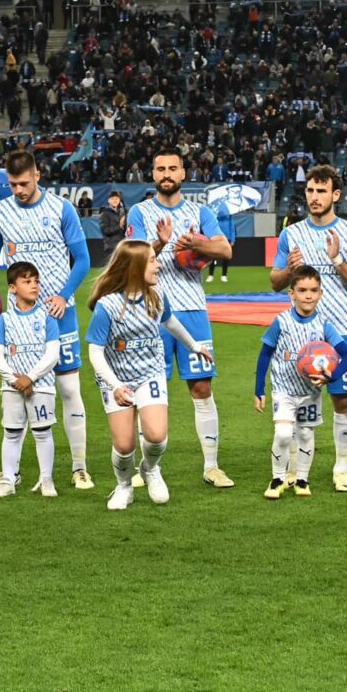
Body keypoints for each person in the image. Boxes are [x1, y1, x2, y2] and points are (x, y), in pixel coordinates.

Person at [0, 149, 93, 489]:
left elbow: (82, 259)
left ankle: (79, 467)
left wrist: (63, 295)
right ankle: (11, 471)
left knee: (68, 388)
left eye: (24, 183)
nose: (19, 190)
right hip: (18, 320)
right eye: (13, 184)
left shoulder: (61, 208)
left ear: (37, 175)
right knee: (17, 391)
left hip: (58, 313)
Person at [126, 150, 235, 487]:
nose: (166, 174)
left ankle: (211, 467)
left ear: (184, 173)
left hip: (193, 311)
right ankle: (147, 468)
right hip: (150, 312)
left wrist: (197, 245)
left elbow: (226, 250)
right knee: (148, 391)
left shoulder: (201, 213)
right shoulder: (140, 212)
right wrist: (160, 244)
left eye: (173, 168)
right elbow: (131, 261)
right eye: (160, 168)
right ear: (153, 174)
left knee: (202, 387)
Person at [86, 240, 214, 510]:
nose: (158, 266)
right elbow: (95, 353)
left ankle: (150, 469)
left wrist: (194, 346)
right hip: (116, 378)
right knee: (124, 445)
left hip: (149, 373)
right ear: (135, 267)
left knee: (156, 436)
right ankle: (124, 486)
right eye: (153, 260)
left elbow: (170, 322)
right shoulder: (107, 306)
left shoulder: (157, 294)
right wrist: (116, 385)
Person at [270, 165, 347, 490]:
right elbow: (275, 282)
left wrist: (337, 260)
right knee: (297, 404)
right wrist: (290, 270)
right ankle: (293, 471)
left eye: (322, 191)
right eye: (310, 191)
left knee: (343, 401)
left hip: (341, 332)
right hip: (299, 336)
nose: (314, 197)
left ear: (336, 195)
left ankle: (341, 469)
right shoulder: (291, 234)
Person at [255, 266, 347, 498]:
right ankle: (277, 479)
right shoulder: (281, 322)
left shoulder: (324, 325)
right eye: (302, 290)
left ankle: (302, 479)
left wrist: (331, 376)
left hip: (310, 393)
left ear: (321, 293)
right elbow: (265, 354)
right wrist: (259, 388)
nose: (308, 295)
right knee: (283, 434)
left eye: (313, 290)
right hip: (284, 391)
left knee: (306, 435)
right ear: (292, 294)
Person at [0, 261, 63, 499]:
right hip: (12, 388)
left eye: (36, 281)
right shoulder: (4, 319)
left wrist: (30, 378)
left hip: (41, 386)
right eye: (27, 281)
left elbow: (53, 353)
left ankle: (46, 479)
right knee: (11, 432)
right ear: (12, 288)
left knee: (42, 432)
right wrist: (15, 380)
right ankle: (8, 480)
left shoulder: (47, 317)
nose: (34, 286)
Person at [205, 196, 236, 284]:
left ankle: (224, 275)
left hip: (227, 237)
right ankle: (211, 275)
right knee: (213, 257)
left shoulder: (229, 212)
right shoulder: (213, 211)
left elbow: (232, 226)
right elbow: (209, 225)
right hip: (216, 236)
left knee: (225, 257)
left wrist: (232, 239)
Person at [100, 191, 127, 259]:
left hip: (122, 245)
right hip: (111, 247)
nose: (115, 200)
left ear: (119, 200)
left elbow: (125, 230)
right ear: (108, 200)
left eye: (116, 198)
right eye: (112, 199)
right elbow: (105, 231)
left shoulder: (122, 212)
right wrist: (119, 226)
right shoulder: (105, 213)